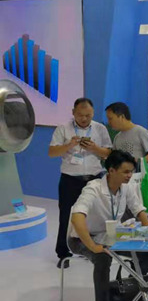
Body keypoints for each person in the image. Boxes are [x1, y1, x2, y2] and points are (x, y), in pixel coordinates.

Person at [68, 150, 148, 301]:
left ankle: (133, 289)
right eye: (125, 172)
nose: (129, 175)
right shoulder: (93, 188)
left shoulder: (127, 187)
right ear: (111, 170)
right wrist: (93, 246)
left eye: (131, 171)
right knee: (102, 258)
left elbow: (140, 211)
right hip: (83, 239)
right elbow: (77, 217)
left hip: (110, 236)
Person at [49, 97, 112, 269]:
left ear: (93, 113)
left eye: (88, 115)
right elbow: (52, 152)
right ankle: (63, 253)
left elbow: (108, 153)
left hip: (94, 179)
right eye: (80, 115)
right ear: (73, 113)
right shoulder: (63, 128)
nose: (84, 119)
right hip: (70, 179)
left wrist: (94, 148)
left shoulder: (100, 128)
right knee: (66, 216)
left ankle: (90, 248)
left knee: (94, 216)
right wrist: (69, 145)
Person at [105, 102, 148, 166]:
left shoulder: (141, 132)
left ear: (122, 117)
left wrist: (135, 162)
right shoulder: (117, 137)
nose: (109, 122)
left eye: (110, 118)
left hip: (138, 172)